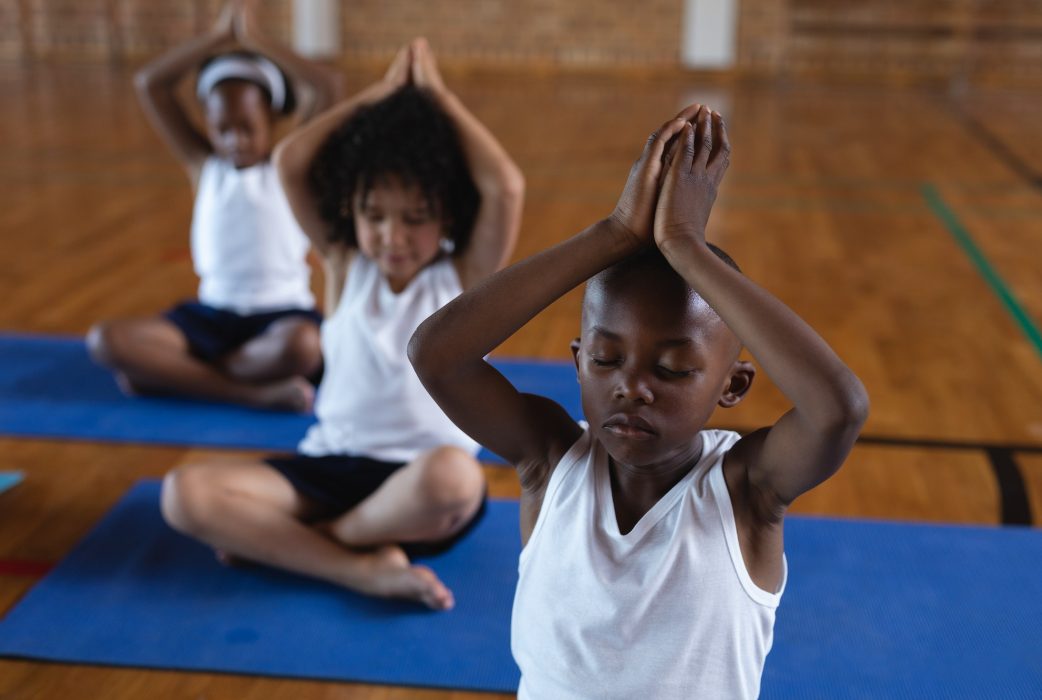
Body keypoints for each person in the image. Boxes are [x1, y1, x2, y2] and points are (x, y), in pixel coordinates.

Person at [409, 104, 869, 697]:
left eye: (674, 369)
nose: (631, 386)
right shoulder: (551, 460)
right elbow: (435, 355)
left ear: (732, 385)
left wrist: (686, 246)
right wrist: (614, 233)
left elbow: (839, 409)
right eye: (605, 360)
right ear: (577, 362)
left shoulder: (745, 489)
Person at [160, 38, 524, 610]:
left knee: (457, 477)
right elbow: (292, 161)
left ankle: (308, 546)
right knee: (185, 494)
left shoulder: (462, 278)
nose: (392, 237)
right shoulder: (344, 266)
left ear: (447, 215)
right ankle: (357, 569)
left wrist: (435, 97)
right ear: (350, 215)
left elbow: (505, 186)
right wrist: (380, 95)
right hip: (327, 466)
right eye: (374, 216)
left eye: (415, 219)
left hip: (416, 486)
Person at [88, 0, 340, 412]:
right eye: (222, 130)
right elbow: (150, 84)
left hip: (281, 318)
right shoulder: (204, 166)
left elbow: (327, 86)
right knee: (106, 340)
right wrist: (217, 39)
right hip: (209, 317)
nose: (234, 140)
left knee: (306, 347)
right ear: (207, 124)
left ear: (271, 120)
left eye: (247, 128)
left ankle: (176, 375)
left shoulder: (292, 166)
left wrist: (256, 42)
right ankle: (249, 393)